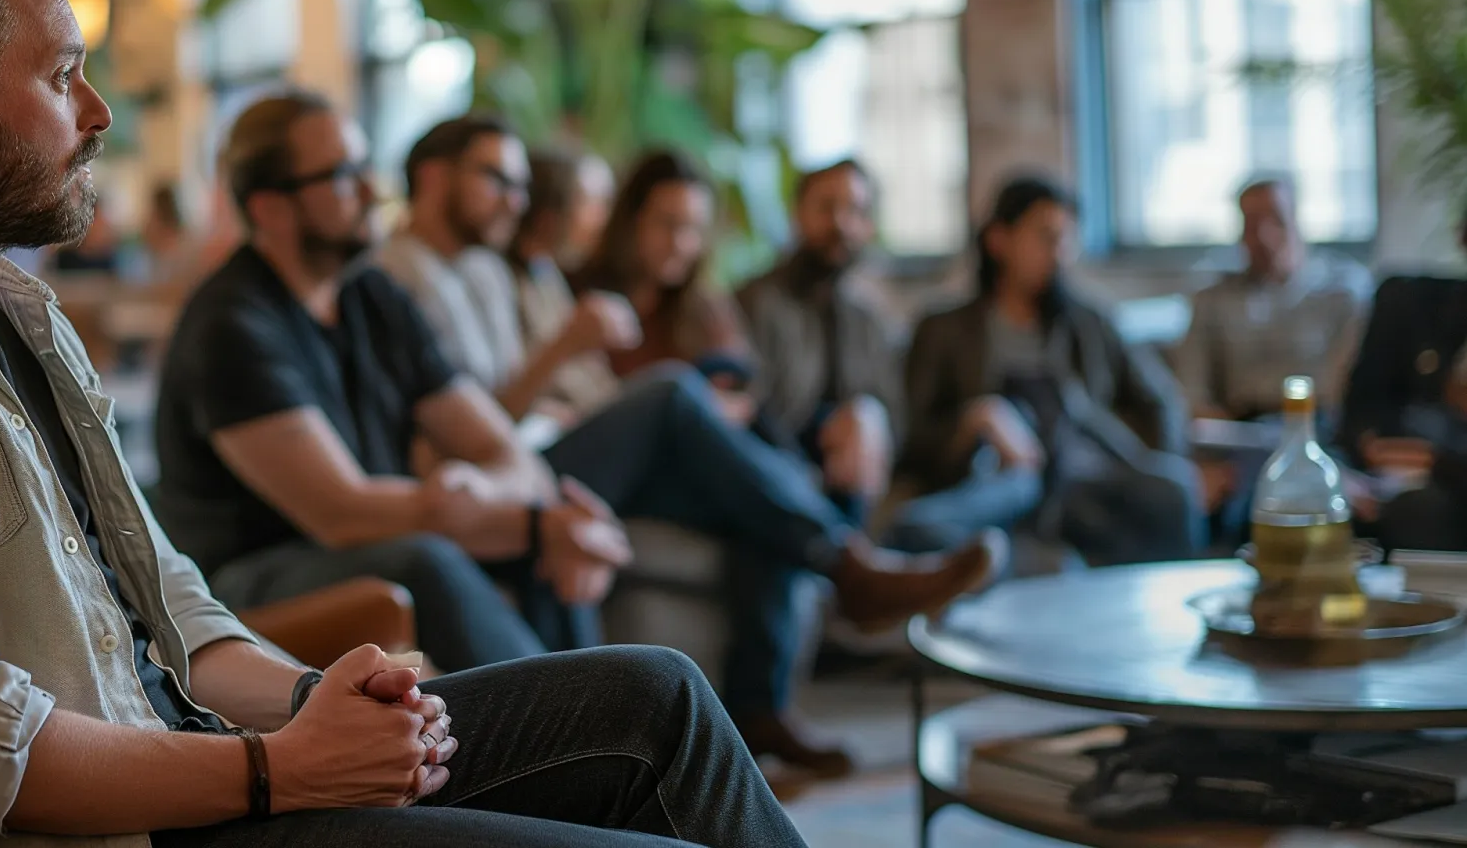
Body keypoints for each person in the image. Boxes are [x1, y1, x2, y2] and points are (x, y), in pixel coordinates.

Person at [0, 0, 806, 848]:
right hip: (155, 826)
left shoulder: (15, 315)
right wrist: (277, 773)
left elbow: (171, 607)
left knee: (653, 697)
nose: (99, 114)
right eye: (62, 77)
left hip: (217, 761)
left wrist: (316, 705)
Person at [153, 102, 1002, 780]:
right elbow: (338, 512)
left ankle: (820, 586)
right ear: (269, 205)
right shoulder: (236, 322)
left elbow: (502, 449)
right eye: (342, 174)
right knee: (432, 553)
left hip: (402, 526)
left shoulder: (371, 297)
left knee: (668, 430)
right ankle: (577, 753)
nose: (373, 187)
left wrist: (541, 510)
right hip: (252, 582)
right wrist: (531, 525)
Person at [897, 175, 1205, 565]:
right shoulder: (945, 330)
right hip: (999, 480)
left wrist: (1154, 460)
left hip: (1084, 481)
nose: (1059, 252)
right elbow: (911, 435)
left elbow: (1160, 399)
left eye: (1067, 238)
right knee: (928, 526)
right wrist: (975, 419)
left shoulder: (1089, 323)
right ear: (998, 240)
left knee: (1174, 490)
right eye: (1045, 236)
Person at [737, 160, 902, 511]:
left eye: (855, 210)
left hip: (847, 468)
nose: (841, 223)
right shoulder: (755, 301)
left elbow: (896, 414)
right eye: (827, 207)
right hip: (775, 463)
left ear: (869, 225)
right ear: (797, 214)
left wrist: (867, 416)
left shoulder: (867, 317)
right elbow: (751, 411)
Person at [569, 151, 757, 426]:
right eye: (667, 224)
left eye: (692, 229)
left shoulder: (705, 308)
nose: (679, 243)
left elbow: (741, 400)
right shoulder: (579, 293)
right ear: (632, 220)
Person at [1174, 177, 1373, 422]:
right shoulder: (1212, 300)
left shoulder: (1345, 291)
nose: (1264, 237)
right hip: (1240, 428)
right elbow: (1191, 391)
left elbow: (1353, 387)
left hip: (1318, 425)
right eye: (1252, 224)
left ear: (1298, 222)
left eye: (1276, 220)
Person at [1338, 218, 1467, 551]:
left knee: (1419, 510)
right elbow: (1359, 414)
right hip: (1389, 475)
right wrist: (1363, 456)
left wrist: (1435, 462)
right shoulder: (1416, 306)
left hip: (1445, 485)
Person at [505, 147, 627, 424]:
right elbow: (506, 396)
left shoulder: (546, 273)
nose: (602, 221)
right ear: (549, 213)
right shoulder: (505, 284)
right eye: (591, 204)